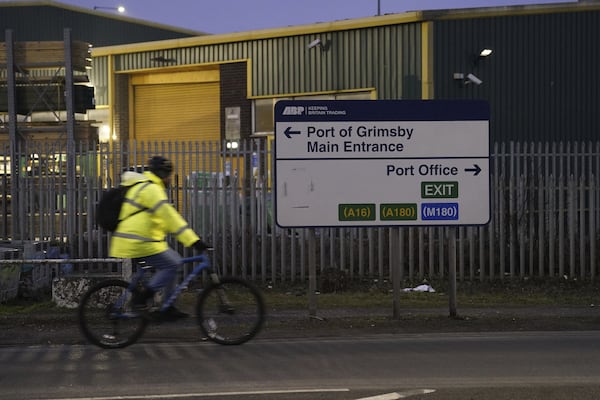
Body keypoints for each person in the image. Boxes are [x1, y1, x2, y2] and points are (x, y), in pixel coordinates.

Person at [109, 156, 209, 320]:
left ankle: (167, 306)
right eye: (169, 175)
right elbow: (170, 218)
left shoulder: (146, 186)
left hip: (141, 240)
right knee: (173, 263)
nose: (170, 178)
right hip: (137, 241)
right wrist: (194, 241)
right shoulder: (152, 190)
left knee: (174, 261)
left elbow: (160, 219)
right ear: (163, 174)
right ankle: (142, 299)